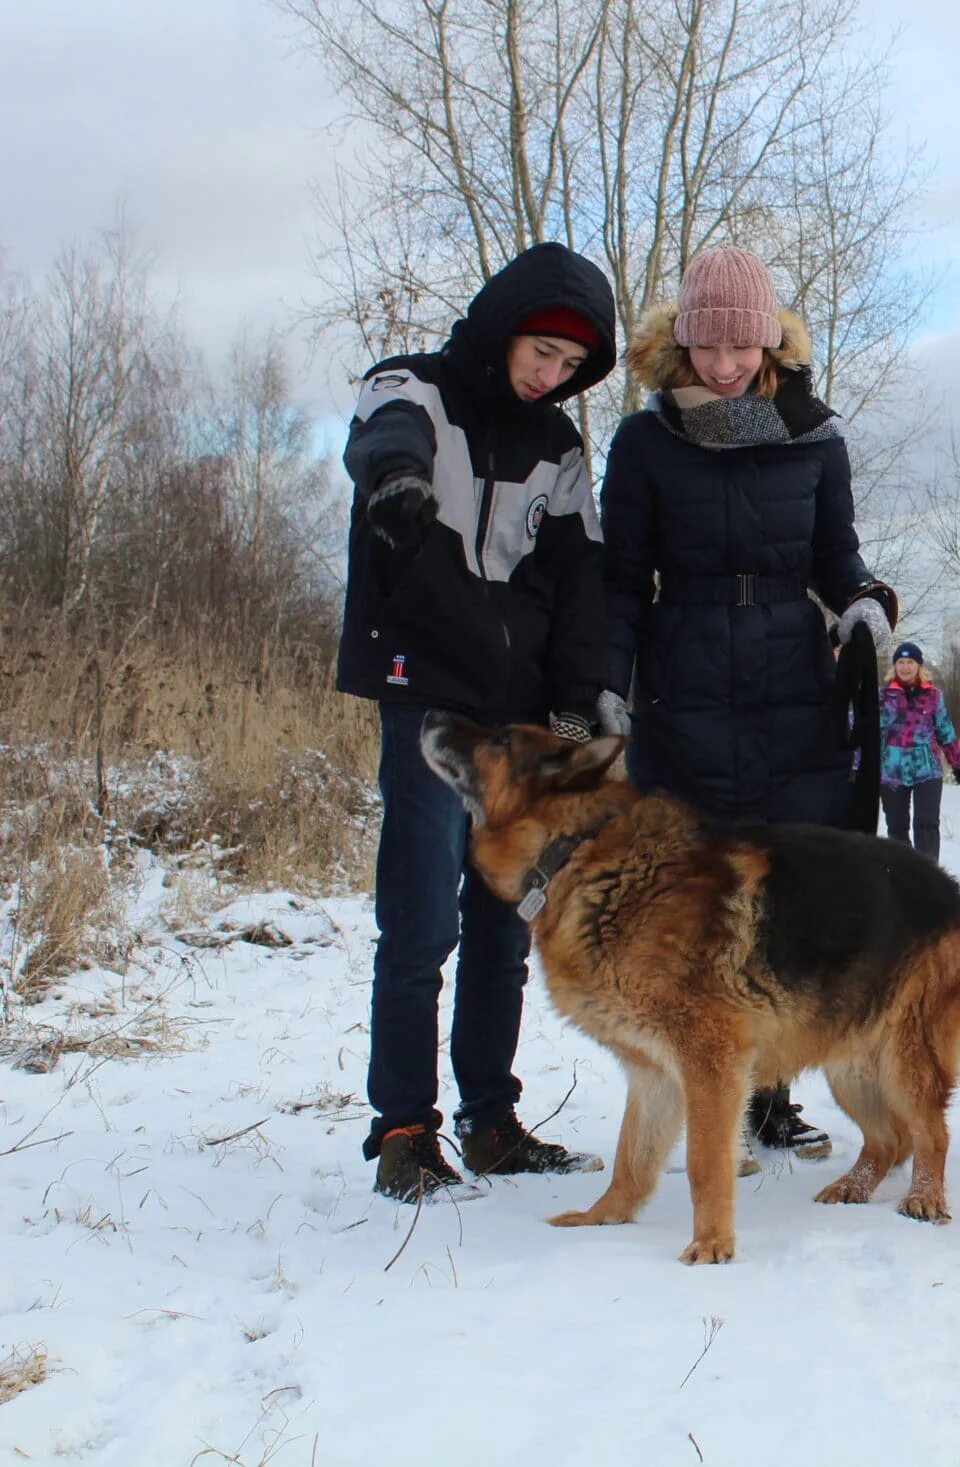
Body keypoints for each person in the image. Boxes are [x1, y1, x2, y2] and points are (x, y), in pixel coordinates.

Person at [598, 243, 900, 1163]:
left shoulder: (815, 438)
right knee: (693, 904)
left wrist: (864, 603)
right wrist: (608, 686)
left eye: (742, 350)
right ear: (682, 345)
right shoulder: (645, 442)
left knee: (781, 897)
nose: (725, 367)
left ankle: (771, 1093)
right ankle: (703, 1091)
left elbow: (836, 559)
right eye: (708, 350)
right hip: (683, 680)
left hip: (789, 688)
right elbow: (620, 578)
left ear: (769, 345)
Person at [336, 242, 619, 1202]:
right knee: (418, 918)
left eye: (569, 367)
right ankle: (404, 1129)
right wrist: (396, 484)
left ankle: (491, 1118)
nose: (550, 375)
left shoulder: (561, 449)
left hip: (520, 710)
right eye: (540, 351)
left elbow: (583, 586)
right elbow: (383, 436)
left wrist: (583, 700)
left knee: (504, 923)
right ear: (505, 326)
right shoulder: (413, 388)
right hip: (427, 689)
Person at [878, 641, 960, 860]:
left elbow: (945, 730)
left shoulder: (933, 696)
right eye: (901, 662)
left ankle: (928, 879)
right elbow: (871, 734)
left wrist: (957, 764)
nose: (905, 667)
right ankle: (903, 880)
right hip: (892, 772)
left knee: (926, 824)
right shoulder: (882, 697)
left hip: (926, 770)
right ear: (894, 666)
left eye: (910, 662)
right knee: (897, 827)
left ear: (919, 666)